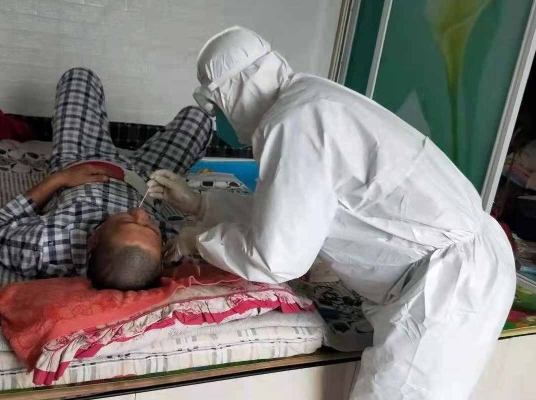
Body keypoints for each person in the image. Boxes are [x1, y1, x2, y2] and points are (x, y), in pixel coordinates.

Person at [148, 27, 516, 399]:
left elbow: (278, 257)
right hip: (461, 264)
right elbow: (289, 214)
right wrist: (200, 204)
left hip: (448, 285)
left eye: (215, 105)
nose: (219, 119)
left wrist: (201, 241)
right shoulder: (306, 101)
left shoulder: (292, 124)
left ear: (233, 90)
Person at [0, 67, 212, 290]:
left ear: (94, 240)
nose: (140, 214)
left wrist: (60, 178)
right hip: (149, 177)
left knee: (79, 78)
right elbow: (218, 247)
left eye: (127, 220)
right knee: (199, 119)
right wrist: (195, 204)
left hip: (83, 159)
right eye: (150, 228)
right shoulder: (165, 249)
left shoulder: (48, 246)